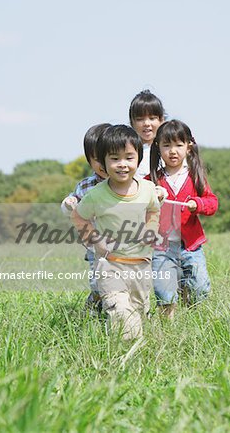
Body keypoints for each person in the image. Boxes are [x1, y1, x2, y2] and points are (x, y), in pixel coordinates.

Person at [71, 125, 160, 340]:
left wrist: (150, 230)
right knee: (119, 307)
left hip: (140, 263)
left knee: (139, 308)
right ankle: (123, 349)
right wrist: (95, 241)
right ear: (102, 162)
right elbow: (78, 216)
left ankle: (140, 349)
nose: (122, 164)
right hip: (109, 263)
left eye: (129, 158)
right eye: (114, 159)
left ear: (138, 159)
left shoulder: (147, 189)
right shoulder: (96, 195)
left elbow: (153, 210)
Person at [148, 119, 218, 319]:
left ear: (188, 147)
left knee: (199, 284)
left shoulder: (195, 176)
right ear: (158, 148)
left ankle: (194, 317)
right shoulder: (152, 180)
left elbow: (212, 202)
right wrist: (152, 197)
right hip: (162, 247)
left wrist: (198, 204)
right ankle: (167, 326)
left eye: (179, 145)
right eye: (166, 145)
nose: (172, 151)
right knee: (163, 289)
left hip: (191, 246)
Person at [61, 123, 111, 314]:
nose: (103, 165)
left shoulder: (127, 183)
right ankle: (95, 308)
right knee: (99, 283)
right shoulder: (86, 186)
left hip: (124, 245)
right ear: (89, 161)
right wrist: (69, 203)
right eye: (97, 160)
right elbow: (71, 207)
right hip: (95, 246)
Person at [129, 89, 165, 178]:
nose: (146, 124)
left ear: (161, 120)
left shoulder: (168, 149)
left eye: (152, 118)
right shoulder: (128, 151)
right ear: (131, 122)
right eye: (140, 119)